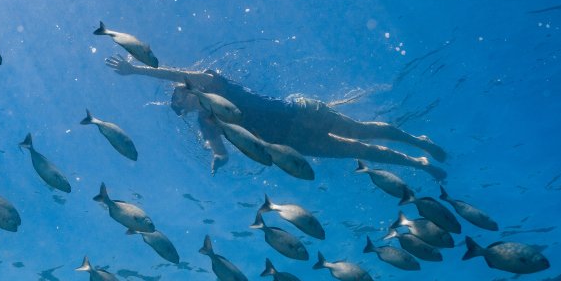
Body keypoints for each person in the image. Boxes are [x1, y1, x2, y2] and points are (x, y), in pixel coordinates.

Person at [105, 55, 447, 179]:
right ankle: (418, 162)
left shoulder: (210, 81)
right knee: (360, 151)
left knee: (360, 131)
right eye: (177, 108)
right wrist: (218, 159)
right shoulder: (206, 122)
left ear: (185, 88)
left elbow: (176, 75)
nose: (179, 105)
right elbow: (218, 148)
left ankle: (418, 141)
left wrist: (136, 70)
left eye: (178, 98)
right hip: (291, 142)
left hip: (300, 112)